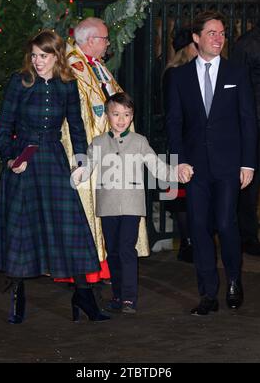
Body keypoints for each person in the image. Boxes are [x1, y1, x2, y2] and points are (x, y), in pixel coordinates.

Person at [0, 30, 110, 324]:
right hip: (24, 158)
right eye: (34, 56)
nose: (37, 61)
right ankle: (18, 295)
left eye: (43, 56)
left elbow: (77, 126)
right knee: (21, 227)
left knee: (71, 227)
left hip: (54, 157)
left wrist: (80, 161)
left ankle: (83, 295)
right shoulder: (20, 82)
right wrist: (10, 158)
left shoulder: (67, 85)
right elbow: (4, 127)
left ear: (57, 56)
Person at [165, 11, 257, 315]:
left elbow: (248, 120)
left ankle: (233, 279)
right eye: (212, 33)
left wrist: (248, 163)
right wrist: (178, 161)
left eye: (222, 33)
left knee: (225, 223)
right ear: (196, 38)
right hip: (195, 167)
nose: (219, 39)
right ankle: (207, 293)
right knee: (199, 227)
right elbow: (174, 122)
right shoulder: (179, 77)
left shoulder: (237, 73)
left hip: (230, 164)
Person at [72, 92, 191, 313]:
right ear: (107, 116)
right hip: (107, 206)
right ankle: (117, 296)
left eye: (126, 114)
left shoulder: (139, 142)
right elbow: (86, 166)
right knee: (113, 251)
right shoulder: (98, 143)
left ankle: (129, 298)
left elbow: (156, 166)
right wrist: (78, 172)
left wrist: (177, 172)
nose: (121, 119)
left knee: (126, 248)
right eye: (116, 114)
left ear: (132, 116)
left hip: (131, 205)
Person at [60, 17, 150, 285]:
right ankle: (89, 268)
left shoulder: (96, 66)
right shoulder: (73, 67)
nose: (108, 43)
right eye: (105, 39)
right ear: (90, 41)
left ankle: (110, 267)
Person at [231, 0, 260, 256]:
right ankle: (248, 237)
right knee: (251, 183)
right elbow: (237, 87)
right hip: (257, 124)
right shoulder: (248, 43)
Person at [163, 27, 198, 263]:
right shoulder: (175, 74)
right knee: (182, 196)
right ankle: (187, 242)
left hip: (192, 140)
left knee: (191, 194)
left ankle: (192, 240)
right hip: (181, 141)